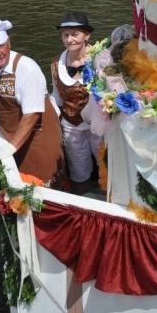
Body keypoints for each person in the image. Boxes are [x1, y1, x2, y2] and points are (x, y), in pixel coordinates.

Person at [0, 13, 65, 188]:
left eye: (1, 46)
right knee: (17, 181)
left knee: (43, 184)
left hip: (38, 135)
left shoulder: (27, 69)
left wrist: (9, 149)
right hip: (10, 132)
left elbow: (32, 115)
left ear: (9, 42)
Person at [51, 11, 102, 195]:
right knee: (78, 171)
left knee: (107, 165)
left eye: (75, 34)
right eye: (65, 35)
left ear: (87, 35)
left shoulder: (100, 59)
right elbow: (56, 96)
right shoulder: (57, 63)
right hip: (71, 125)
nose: (69, 39)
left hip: (100, 125)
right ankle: (84, 205)